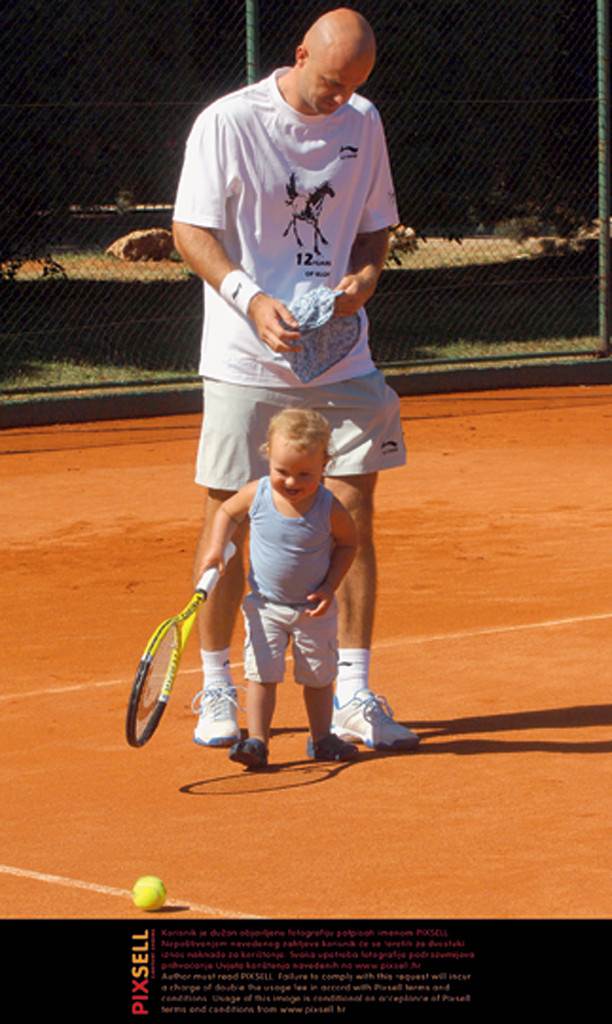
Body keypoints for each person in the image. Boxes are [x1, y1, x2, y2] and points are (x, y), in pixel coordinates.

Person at [173, 7, 419, 752]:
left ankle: (351, 692)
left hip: (342, 359)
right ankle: (217, 683)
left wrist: (364, 280)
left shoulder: (363, 121)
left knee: (352, 522)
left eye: (352, 88)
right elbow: (191, 229)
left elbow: (376, 224)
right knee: (233, 519)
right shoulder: (227, 122)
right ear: (300, 52)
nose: (338, 98)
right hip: (246, 359)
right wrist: (250, 299)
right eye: (329, 82)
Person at [198, 408, 360, 770]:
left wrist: (330, 586)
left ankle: (322, 739)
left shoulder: (329, 508)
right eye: (281, 471)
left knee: (318, 678)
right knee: (261, 677)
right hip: (264, 607)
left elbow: (349, 544)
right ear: (267, 455)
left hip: (312, 610)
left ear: (325, 465)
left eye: (305, 473)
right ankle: (257, 742)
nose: (291, 482)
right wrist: (216, 546)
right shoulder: (256, 494)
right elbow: (226, 512)